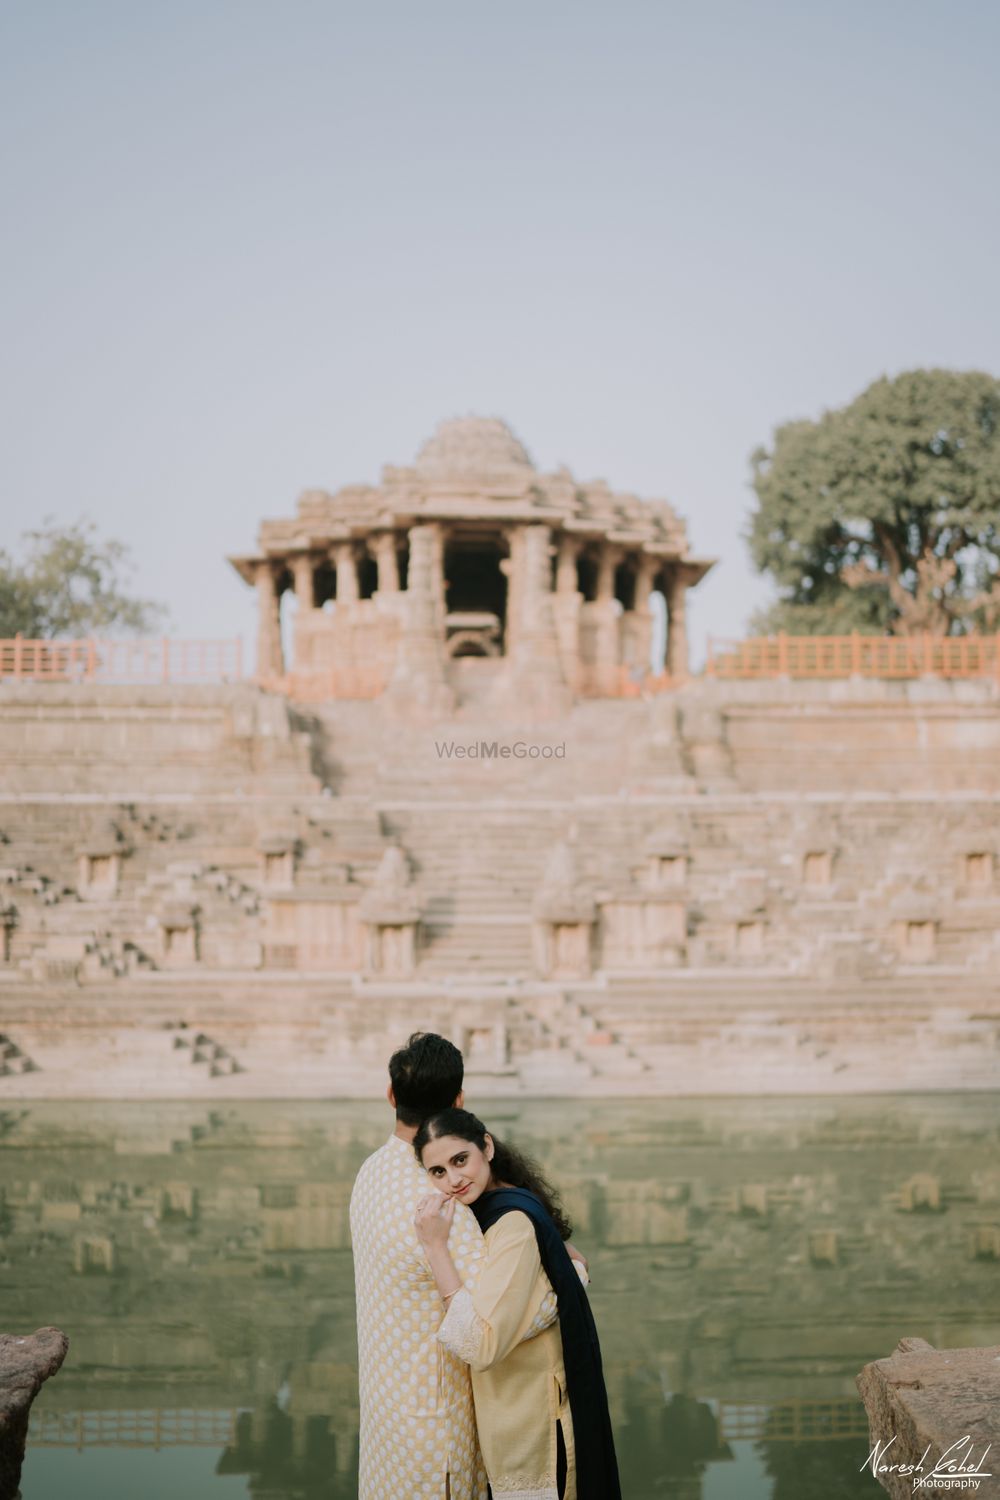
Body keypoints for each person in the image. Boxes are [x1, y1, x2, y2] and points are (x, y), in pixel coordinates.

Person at [349, 1032, 557, 1500]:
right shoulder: (443, 1207)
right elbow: (496, 1324)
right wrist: (570, 1276)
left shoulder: (371, 1171)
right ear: (458, 1101)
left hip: (387, 1421)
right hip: (438, 1434)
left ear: (390, 1096)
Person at [413, 1108, 621, 1500]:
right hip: (519, 1415)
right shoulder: (494, 1207)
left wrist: (435, 1246)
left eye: (461, 1160)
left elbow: (480, 1345)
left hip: (535, 1427)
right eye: (438, 1171)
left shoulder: (511, 1223)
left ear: (486, 1147)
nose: (454, 1180)